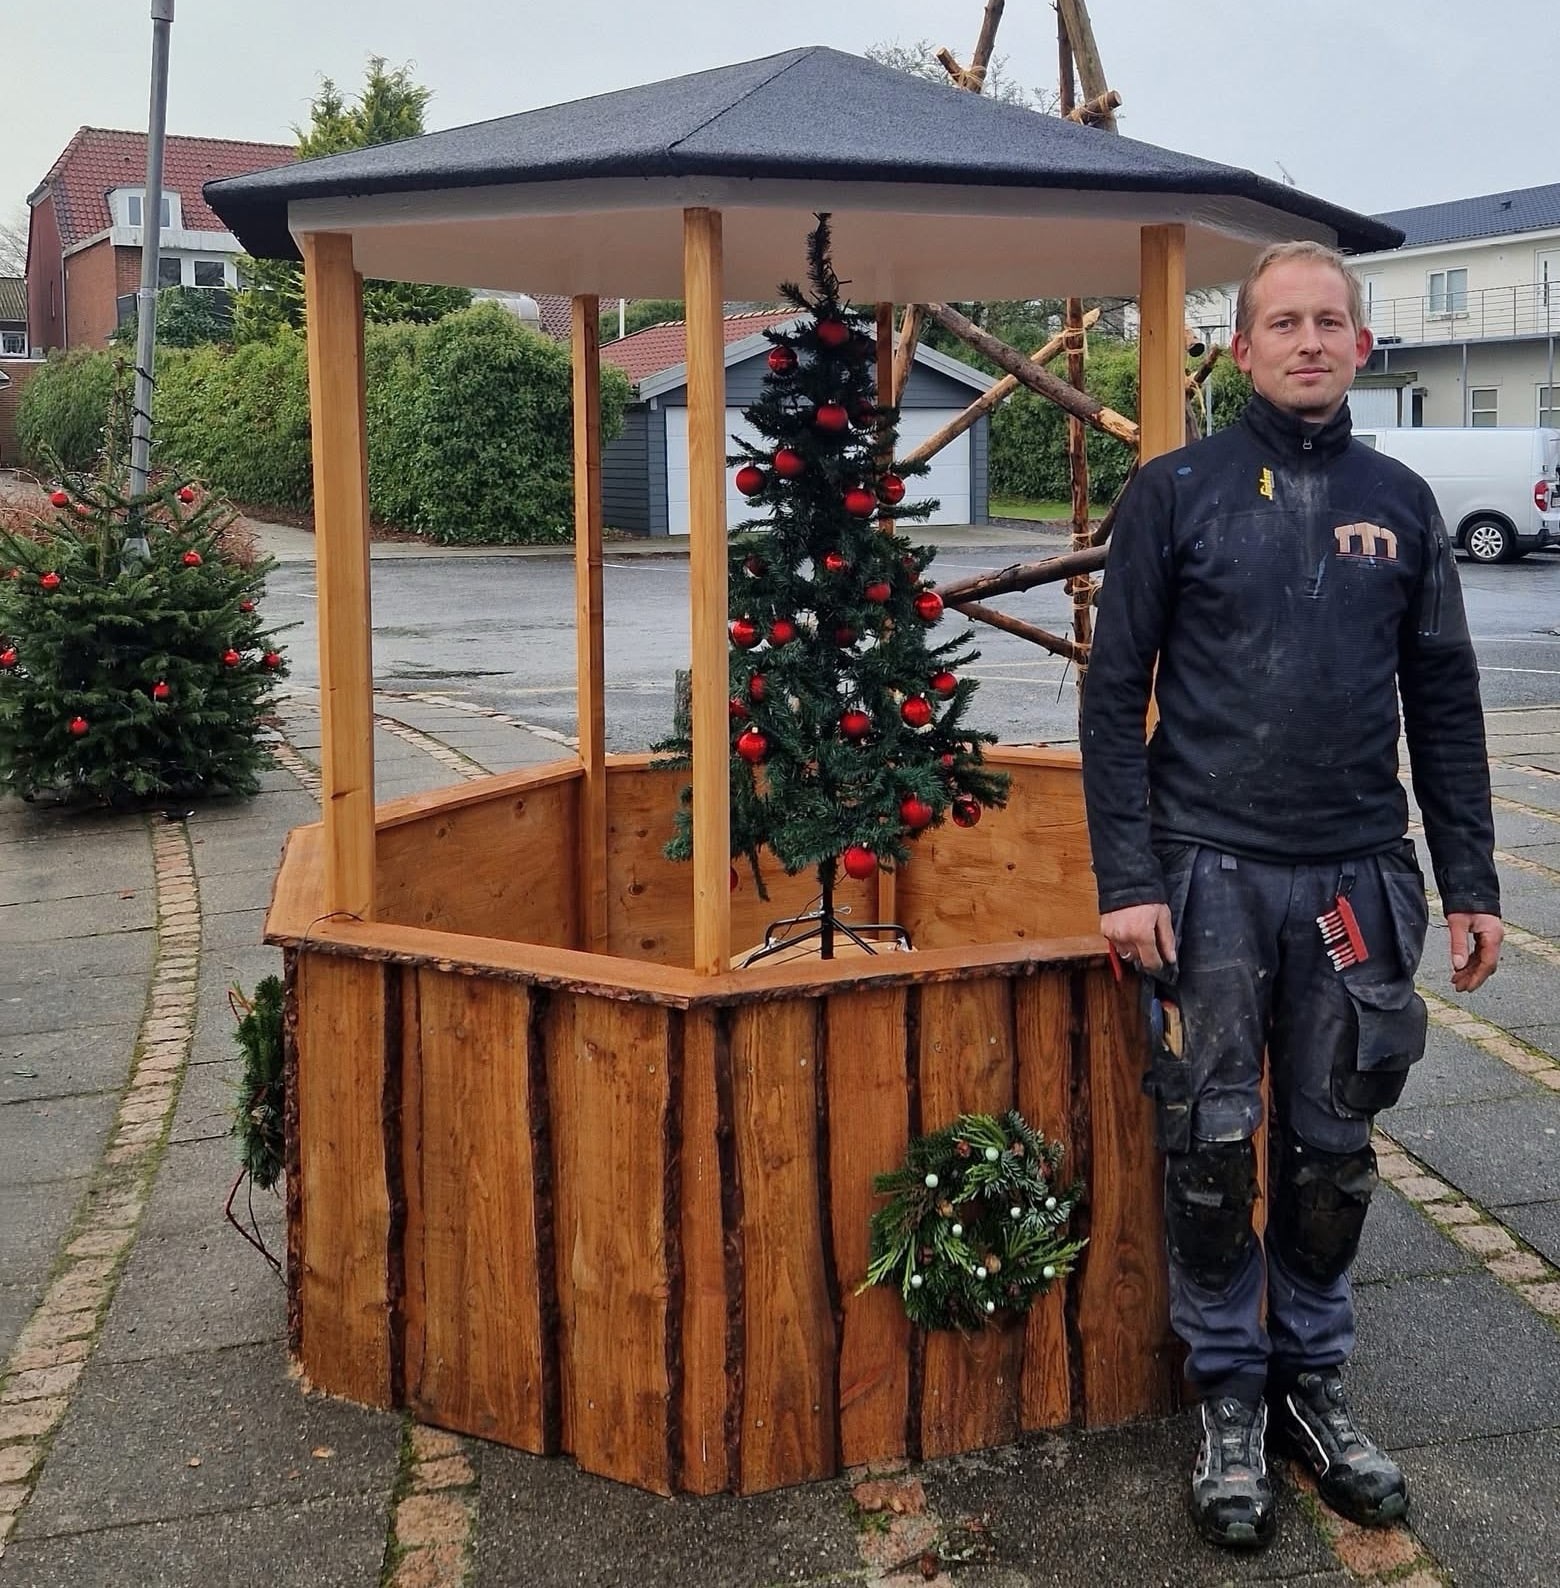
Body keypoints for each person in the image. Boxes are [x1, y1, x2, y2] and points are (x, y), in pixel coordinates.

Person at [1079, 240, 1503, 1551]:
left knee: (1333, 1155)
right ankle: (1226, 1398)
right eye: (1285, 322)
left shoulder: (1402, 501)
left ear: (1359, 346)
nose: (1310, 340)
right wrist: (1129, 877)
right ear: (1243, 346)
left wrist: (1473, 879)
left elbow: (1442, 697)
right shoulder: (1176, 493)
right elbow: (1111, 695)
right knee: (1209, 1153)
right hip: (1206, 877)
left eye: (1331, 321)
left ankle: (1314, 1385)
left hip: (1354, 885)